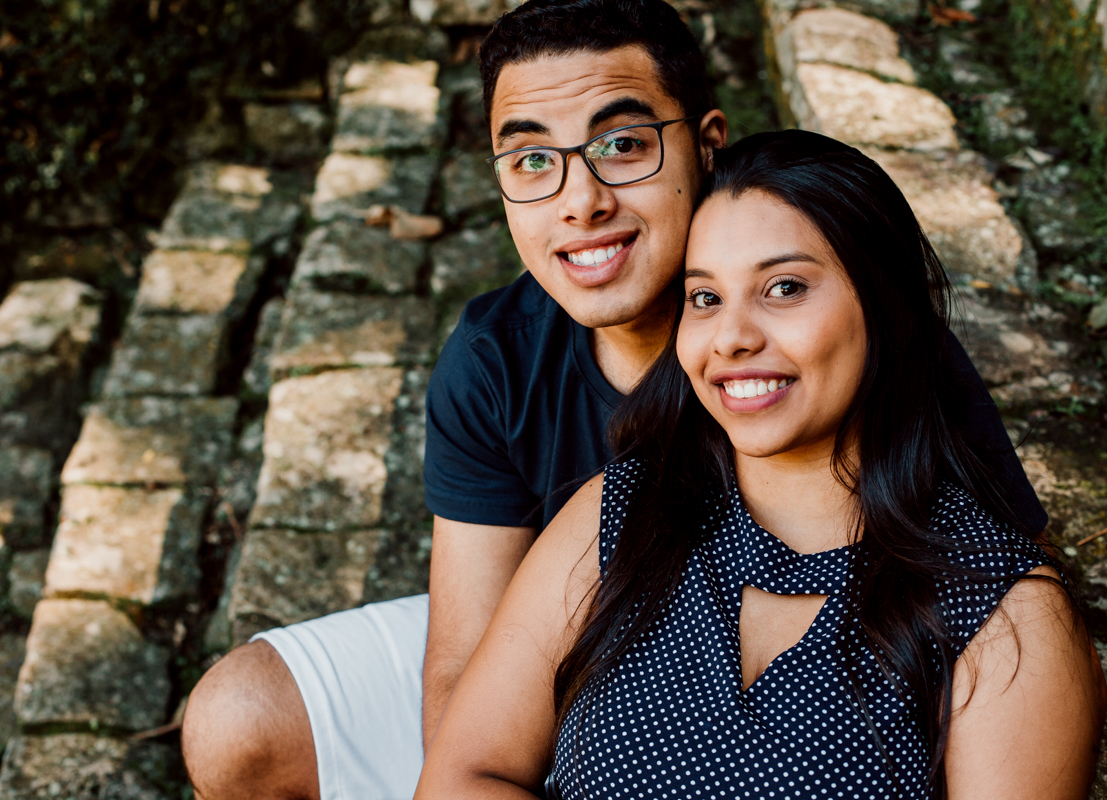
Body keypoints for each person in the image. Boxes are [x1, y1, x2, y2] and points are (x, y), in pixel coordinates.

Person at [180, 2, 1053, 798]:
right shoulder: (500, 362)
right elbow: (464, 676)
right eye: (532, 161)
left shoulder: (844, 332)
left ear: (706, 144)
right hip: (557, 639)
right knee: (237, 721)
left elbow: (984, 574)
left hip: (798, 649)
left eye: (623, 146)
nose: (582, 202)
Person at [415, 130, 1106, 800]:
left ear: (885, 304)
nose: (733, 338)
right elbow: (466, 775)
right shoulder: (621, 511)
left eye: (784, 289)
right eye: (705, 298)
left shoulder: (1003, 613)